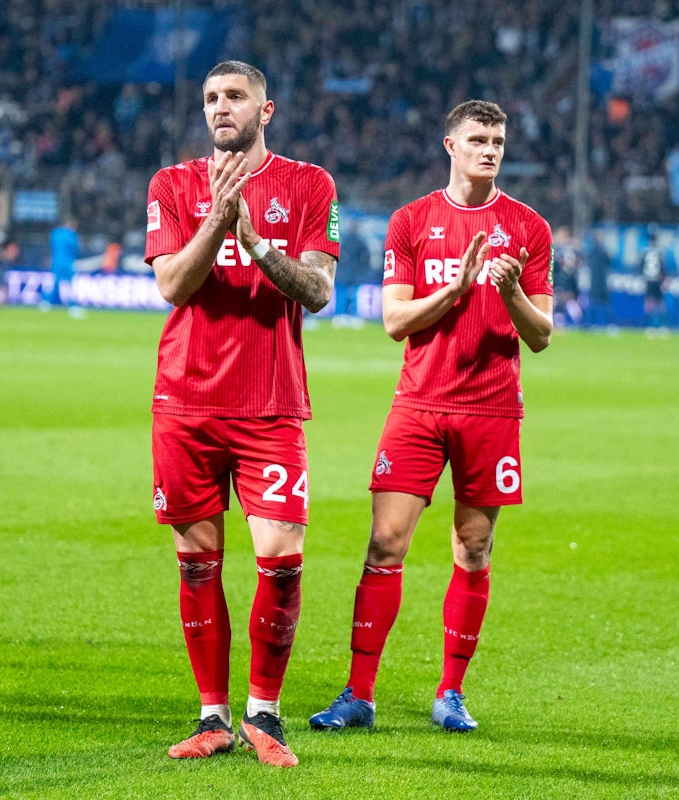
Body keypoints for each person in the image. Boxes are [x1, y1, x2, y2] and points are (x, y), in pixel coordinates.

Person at [309, 99, 553, 735]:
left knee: (473, 547)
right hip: (419, 404)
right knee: (384, 544)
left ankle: (451, 692)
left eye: (498, 139)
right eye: (478, 138)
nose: (490, 149)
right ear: (450, 145)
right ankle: (359, 695)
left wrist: (508, 291)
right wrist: (454, 289)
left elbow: (542, 334)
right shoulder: (412, 221)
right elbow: (394, 321)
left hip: (492, 408)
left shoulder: (529, 228)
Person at [145, 60, 339, 767]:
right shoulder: (172, 185)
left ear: (266, 109)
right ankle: (212, 716)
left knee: (280, 560)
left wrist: (254, 240)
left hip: (270, 404)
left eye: (234, 97)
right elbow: (170, 283)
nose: (219, 108)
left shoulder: (309, 185)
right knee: (196, 564)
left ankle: (264, 712)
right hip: (186, 400)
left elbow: (317, 289)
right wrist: (216, 224)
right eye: (209, 99)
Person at [43, 215, 82, 316]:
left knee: (54, 283)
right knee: (69, 284)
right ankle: (72, 305)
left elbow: (50, 247)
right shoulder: (72, 235)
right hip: (68, 262)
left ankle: (46, 303)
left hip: (56, 261)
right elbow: (76, 250)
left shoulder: (55, 233)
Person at [640, 233, 668, 333]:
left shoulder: (645, 251)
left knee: (649, 303)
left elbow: (640, 265)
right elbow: (663, 266)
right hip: (658, 279)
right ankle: (661, 326)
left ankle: (651, 326)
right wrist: (664, 279)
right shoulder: (660, 251)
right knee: (660, 303)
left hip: (649, 279)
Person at [585, 230, 612, 329]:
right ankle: (603, 323)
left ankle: (592, 323)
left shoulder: (591, 251)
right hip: (601, 279)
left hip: (593, 279)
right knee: (603, 302)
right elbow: (609, 262)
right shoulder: (604, 250)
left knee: (594, 302)